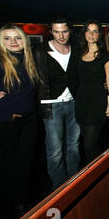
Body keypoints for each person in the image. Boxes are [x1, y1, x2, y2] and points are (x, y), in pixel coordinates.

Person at [0, 25, 40, 219]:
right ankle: (16, 205)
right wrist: (6, 116)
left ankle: (22, 199)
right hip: (6, 123)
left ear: (25, 41)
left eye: (18, 38)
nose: (13, 42)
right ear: (0, 42)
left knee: (26, 163)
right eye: (7, 38)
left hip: (29, 121)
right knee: (10, 166)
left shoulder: (29, 62)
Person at [32, 14, 81, 190]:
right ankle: (59, 188)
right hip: (51, 104)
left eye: (65, 31)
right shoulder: (40, 50)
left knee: (74, 146)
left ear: (70, 31)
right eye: (56, 32)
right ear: (50, 31)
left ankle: (74, 181)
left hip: (74, 102)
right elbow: (29, 75)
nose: (61, 35)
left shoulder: (76, 48)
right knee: (55, 151)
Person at [74, 19, 109, 164]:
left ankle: (97, 173)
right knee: (86, 143)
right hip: (81, 102)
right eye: (88, 31)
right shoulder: (78, 53)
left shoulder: (106, 55)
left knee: (89, 144)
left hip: (97, 102)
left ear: (99, 35)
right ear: (84, 33)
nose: (91, 34)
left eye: (95, 31)